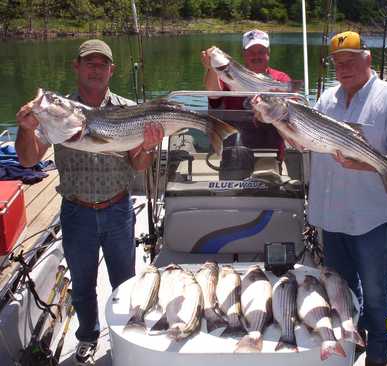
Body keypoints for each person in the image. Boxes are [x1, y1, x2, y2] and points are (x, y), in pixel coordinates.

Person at [15, 39, 164, 365]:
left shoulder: (127, 110)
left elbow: (138, 165)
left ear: (111, 70)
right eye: (89, 63)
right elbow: (27, 161)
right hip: (75, 211)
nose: (96, 69)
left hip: (118, 209)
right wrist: (25, 129)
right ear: (77, 66)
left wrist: (150, 146)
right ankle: (87, 336)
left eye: (102, 64)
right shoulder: (56, 111)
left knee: (124, 281)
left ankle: (124, 337)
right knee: (82, 284)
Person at [309, 31, 387, 366]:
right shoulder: (326, 100)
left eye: (350, 60)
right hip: (331, 218)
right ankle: (347, 354)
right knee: (341, 294)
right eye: (337, 62)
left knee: (376, 297)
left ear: (367, 59)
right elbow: (308, 140)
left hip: (372, 219)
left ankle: (376, 359)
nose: (343, 68)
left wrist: (367, 164)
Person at [200, 29, 291, 163]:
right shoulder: (231, 75)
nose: (256, 56)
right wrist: (211, 68)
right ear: (244, 54)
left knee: (269, 181)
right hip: (234, 152)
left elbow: (292, 115)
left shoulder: (280, 79)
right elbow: (213, 95)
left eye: (261, 52)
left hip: (269, 152)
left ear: (268, 53)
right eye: (251, 52)